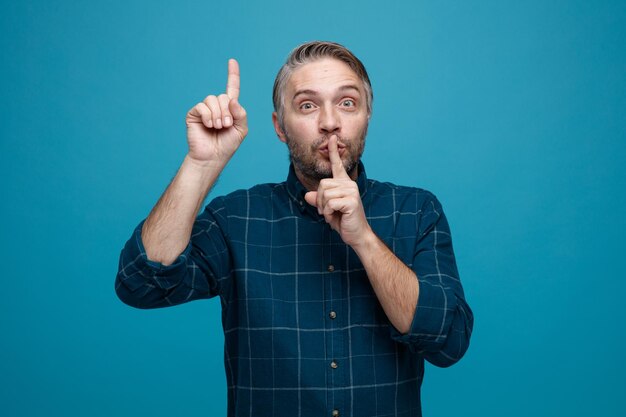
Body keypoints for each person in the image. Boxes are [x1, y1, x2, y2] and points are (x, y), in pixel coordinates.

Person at [115, 41, 473, 417]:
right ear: (279, 127)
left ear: (367, 116)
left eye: (347, 103)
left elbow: (447, 342)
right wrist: (201, 164)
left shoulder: (416, 211)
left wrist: (365, 240)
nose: (330, 121)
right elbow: (141, 284)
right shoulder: (236, 218)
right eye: (307, 105)